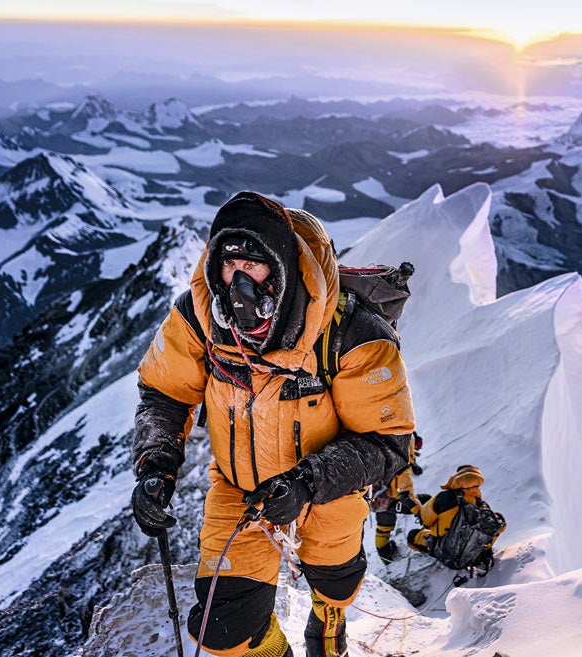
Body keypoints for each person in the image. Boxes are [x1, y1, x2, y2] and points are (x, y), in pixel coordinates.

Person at [129, 191, 415, 657]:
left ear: (283, 268)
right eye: (228, 264)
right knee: (224, 633)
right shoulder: (199, 318)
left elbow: (386, 442)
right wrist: (156, 465)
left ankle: (328, 622)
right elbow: (165, 392)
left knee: (335, 577)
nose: (238, 280)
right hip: (240, 489)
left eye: (254, 265)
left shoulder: (352, 334)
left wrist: (307, 483)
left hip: (328, 489)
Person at [407, 465, 505, 578]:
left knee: (413, 535)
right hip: (470, 557)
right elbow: (494, 531)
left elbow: (425, 519)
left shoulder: (444, 497)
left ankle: (429, 549)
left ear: (457, 478)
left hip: (443, 551)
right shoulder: (483, 507)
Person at [371, 432, 427, 565]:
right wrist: (422, 514)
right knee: (426, 501)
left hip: (376, 501)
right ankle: (432, 536)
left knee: (384, 527)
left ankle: (386, 558)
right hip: (392, 501)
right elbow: (406, 497)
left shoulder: (386, 457)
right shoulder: (403, 468)